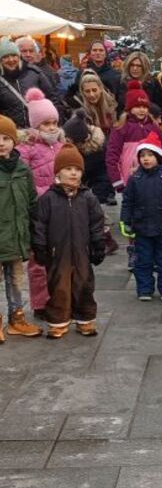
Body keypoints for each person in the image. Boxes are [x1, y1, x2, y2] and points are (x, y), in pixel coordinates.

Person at [32, 143, 105, 339]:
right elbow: (39, 224)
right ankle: (58, 321)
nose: (73, 173)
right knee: (59, 287)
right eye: (68, 169)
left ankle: (85, 319)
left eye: (77, 169)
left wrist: (98, 244)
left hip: (82, 250)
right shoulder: (48, 199)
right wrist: (40, 247)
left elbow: (97, 223)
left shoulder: (88, 197)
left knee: (84, 284)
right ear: (58, 172)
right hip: (57, 252)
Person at [17, 88, 65, 321]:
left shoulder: (61, 146)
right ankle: (40, 302)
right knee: (38, 261)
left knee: (60, 257)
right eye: (46, 123)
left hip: (60, 209)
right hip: (38, 211)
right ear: (36, 125)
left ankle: (59, 296)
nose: (51, 127)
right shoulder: (26, 149)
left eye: (54, 122)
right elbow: (22, 179)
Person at [120, 133, 162, 301]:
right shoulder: (135, 178)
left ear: (158, 157)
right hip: (141, 228)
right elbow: (128, 201)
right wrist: (125, 221)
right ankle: (144, 289)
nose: (146, 159)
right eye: (142, 156)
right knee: (143, 261)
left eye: (149, 155)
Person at [0, 114, 42, 341]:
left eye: (5, 138)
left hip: (16, 237)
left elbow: (32, 202)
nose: (0, 143)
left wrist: (34, 233)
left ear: (14, 141)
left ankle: (16, 318)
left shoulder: (22, 169)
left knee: (16, 280)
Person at [106, 80, 162, 193]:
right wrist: (117, 180)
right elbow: (112, 156)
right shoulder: (121, 128)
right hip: (129, 179)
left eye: (144, 107)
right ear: (130, 108)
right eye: (137, 106)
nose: (142, 110)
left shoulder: (153, 126)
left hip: (154, 179)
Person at [0, 37, 62, 128]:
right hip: (11, 134)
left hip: (39, 131)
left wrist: (55, 124)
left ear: (19, 57)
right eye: (5, 57)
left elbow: (52, 98)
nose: (11, 60)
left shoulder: (34, 73)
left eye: (14, 55)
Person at [63, 109, 114, 208]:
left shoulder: (96, 152)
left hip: (99, 187)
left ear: (80, 141)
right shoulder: (82, 146)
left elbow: (96, 174)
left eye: (68, 140)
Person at [78, 70, 118, 136]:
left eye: (94, 90)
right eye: (87, 91)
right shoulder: (81, 113)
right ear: (83, 93)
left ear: (100, 88)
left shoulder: (112, 104)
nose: (92, 95)